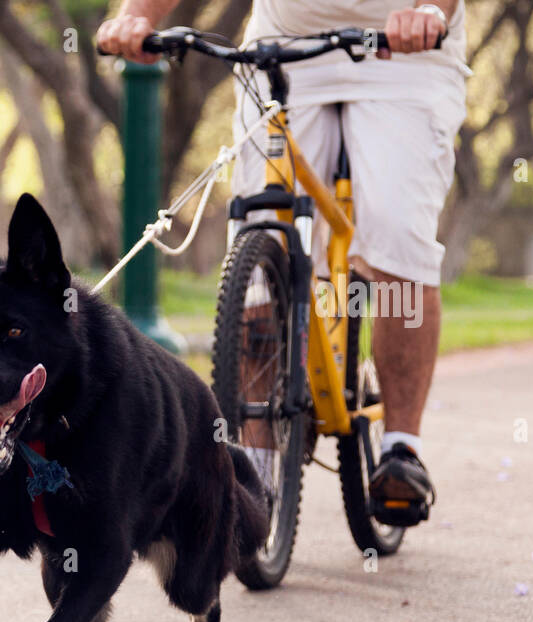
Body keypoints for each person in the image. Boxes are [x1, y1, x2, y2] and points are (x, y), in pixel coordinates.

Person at [98, 1, 468, 525]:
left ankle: (401, 451)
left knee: (395, 236)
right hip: (287, 48)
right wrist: (137, 15)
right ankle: (252, 479)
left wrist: (429, 8)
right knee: (261, 239)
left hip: (403, 54)